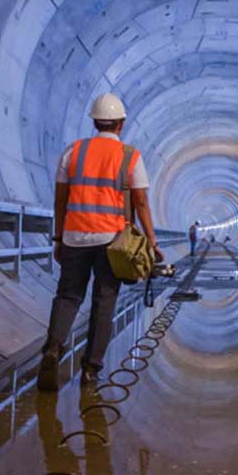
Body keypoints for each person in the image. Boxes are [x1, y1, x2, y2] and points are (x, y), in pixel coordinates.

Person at [38, 93, 163, 391]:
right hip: (112, 242)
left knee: (68, 297)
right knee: (104, 303)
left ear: (95, 122)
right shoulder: (131, 156)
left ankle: (53, 349)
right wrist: (152, 240)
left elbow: (60, 199)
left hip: (74, 237)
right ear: (120, 124)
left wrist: (58, 237)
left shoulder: (73, 152)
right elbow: (141, 202)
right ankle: (91, 370)